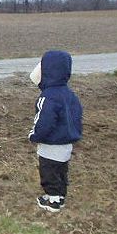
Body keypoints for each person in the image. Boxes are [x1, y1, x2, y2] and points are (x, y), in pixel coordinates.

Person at [28, 50, 83, 212]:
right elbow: (76, 116)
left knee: (48, 171)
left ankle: (53, 200)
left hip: (50, 144)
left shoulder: (47, 97)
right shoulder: (70, 95)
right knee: (61, 170)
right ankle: (60, 195)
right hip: (67, 143)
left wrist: (34, 135)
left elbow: (44, 121)